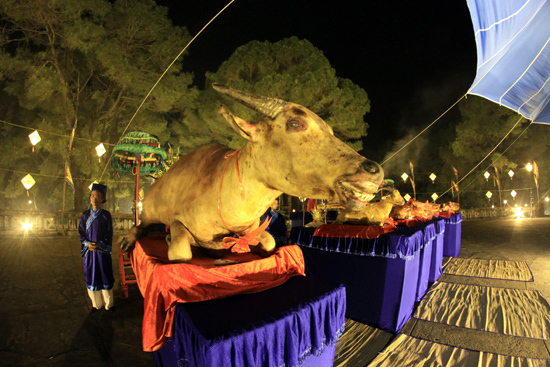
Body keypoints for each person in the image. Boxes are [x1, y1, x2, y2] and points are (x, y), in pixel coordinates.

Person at [78, 183, 115, 312]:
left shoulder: (106, 215)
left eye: (98, 196)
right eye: (93, 195)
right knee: (92, 276)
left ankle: (108, 304)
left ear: (102, 199)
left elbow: (109, 233)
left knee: (105, 275)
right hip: (90, 252)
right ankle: (95, 304)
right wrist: (87, 243)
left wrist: (100, 245)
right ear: (90, 198)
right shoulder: (85, 215)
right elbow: (81, 232)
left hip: (102, 251)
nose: (95, 198)